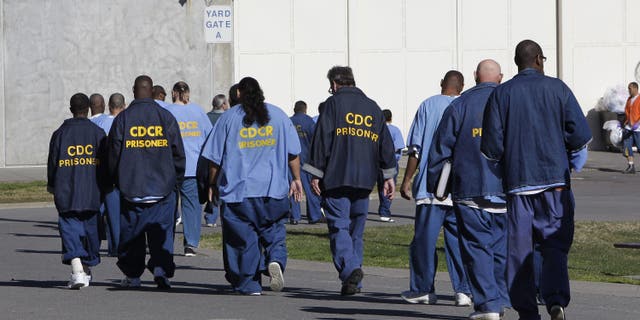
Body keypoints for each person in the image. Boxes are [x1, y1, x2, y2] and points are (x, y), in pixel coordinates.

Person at [481, 39, 591, 320]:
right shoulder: (558, 89)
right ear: (540, 60)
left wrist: (504, 169)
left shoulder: (501, 94)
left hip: (519, 185)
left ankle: (527, 311)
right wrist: (570, 161)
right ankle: (555, 299)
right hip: (554, 182)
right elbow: (579, 136)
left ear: (517, 62)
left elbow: (491, 148)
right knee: (554, 244)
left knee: (519, 250)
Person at [202, 76, 303, 295]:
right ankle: (275, 258)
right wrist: (296, 179)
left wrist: (212, 183)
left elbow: (214, 158)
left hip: (240, 192)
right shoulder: (278, 115)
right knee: (274, 229)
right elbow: (293, 153)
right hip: (273, 189)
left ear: (238, 93)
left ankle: (249, 283)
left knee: (242, 239)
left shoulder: (228, 118)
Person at [303, 66, 397, 296]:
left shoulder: (333, 104)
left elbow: (322, 138)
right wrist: (388, 176)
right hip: (365, 179)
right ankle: (353, 282)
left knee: (339, 226)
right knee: (356, 230)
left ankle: (351, 269)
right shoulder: (373, 107)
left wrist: (316, 172)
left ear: (335, 84)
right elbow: (385, 145)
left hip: (337, 176)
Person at [427, 60, 509, 320]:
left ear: (474, 76)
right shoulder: (511, 102)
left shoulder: (459, 105)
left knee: (476, 248)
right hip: (506, 189)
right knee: (500, 249)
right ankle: (500, 298)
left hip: (470, 187)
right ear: (501, 77)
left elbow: (441, 148)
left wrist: (436, 185)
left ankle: (488, 305)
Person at [399, 70, 472, 306]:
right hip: (460, 186)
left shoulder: (428, 106)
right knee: (458, 240)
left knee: (424, 240)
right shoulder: (466, 105)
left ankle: (423, 288)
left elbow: (416, 148)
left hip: (432, 186)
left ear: (442, 83)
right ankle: (463, 290)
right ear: (462, 86)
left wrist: (407, 179)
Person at [108, 75, 185, 289]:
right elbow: (178, 152)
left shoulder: (122, 120)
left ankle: (133, 276)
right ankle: (161, 269)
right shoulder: (166, 117)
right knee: (162, 234)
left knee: (132, 236)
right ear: (151, 92)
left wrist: (116, 179)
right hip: (162, 188)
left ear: (134, 91)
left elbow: (113, 154)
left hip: (132, 188)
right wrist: (176, 180)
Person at [47, 93, 107, 289]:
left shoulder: (60, 134)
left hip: (67, 190)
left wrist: (52, 184)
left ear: (71, 109)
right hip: (92, 191)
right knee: (91, 231)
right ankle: (80, 270)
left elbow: (53, 163)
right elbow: (105, 164)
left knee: (70, 230)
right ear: (88, 109)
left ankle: (80, 269)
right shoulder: (97, 134)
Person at [166, 81, 214, 256]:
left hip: (171, 166)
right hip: (193, 166)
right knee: (192, 205)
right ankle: (191, 243)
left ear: (173, 93)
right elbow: (210, 136)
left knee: (169, 205)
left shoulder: (168, 112)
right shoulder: (198, 111)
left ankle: (166, 242)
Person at [95, 93, 126, 256]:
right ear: (124, 105)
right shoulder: (126, 122)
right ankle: (119, 245)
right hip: (122, 173)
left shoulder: (100, 122)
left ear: (109, 106)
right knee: (121, 213)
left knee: (106, 212)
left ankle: (105, 243)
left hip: (104, 172)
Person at [289, 100, 324, 224]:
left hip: (292, 160)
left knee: (294, 188)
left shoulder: (288, 122)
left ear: (294, 109)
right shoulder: (310, 122)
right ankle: (314, 216)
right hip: (307, 160)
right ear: (305, 109)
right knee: (311, 189)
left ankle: (295, 216)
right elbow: (316, 141)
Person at [204, 94, 230, 227]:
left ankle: (210, 216)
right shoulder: (227, 118)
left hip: (208, 157)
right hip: (224, 158)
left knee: (211, 185)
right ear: (223, 105)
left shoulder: (205, 117)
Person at [376, 109, 405, 222]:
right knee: (388, 187)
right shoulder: (395, 130)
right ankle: (384, 212)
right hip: (390, 163)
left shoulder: (377, 129)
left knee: (380, 186)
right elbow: (399, 147)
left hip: (376, 162)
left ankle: (382, 209)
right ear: (390, 118)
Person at [622, 82, 640, 174]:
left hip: (638, 128)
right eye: (628, 88)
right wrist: (625, 123)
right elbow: (627, 111)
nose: (629, 90)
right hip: (629, 128)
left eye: (630, 88)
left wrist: (638, 123)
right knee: (627, 146)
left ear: (636, 88)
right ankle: (631, 166)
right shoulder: (629, 99)